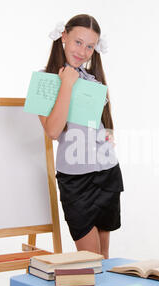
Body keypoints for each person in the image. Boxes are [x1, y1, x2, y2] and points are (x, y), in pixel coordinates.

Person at [38, 14, 123, 259]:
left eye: (90, 46)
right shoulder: (44, 81)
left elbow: (101, 120)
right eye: (78, 42)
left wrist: (107, 138)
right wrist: (66, 83)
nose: (83, 51)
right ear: (64, 36)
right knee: (90, 259)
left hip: (107, 171)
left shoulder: (92, 80)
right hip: (76, 179)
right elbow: (53, 131)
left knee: (104, 257)